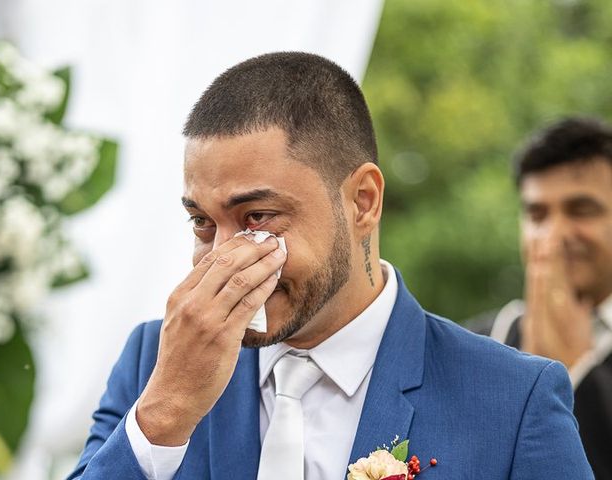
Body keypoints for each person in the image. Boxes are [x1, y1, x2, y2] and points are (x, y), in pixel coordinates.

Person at [67, 53, 592, 480]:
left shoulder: (511, 399)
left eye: (258, 217)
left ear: (363, 201)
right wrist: (164, 412)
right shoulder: (151, 365)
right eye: (203, 223)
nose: (221, 260)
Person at [484, 117, 612, 480]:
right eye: (537, 214)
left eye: (581, 210)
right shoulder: (479, 340)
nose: (553, 236)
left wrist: (575, 374)